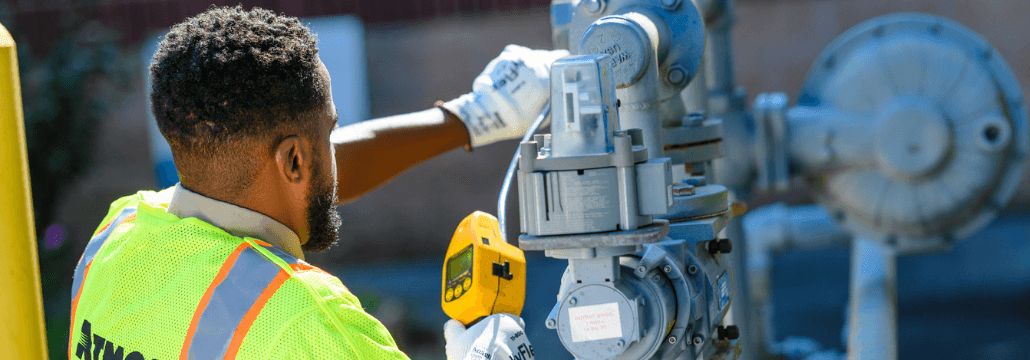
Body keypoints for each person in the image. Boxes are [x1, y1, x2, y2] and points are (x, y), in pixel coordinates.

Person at [68, 5, 566, 360]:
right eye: (329, 132)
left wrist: (473, 117)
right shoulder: (310, 322)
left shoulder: (119, 233)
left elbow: (286, 176)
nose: (336, 147)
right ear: (292, 161)